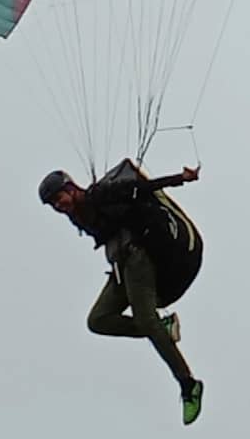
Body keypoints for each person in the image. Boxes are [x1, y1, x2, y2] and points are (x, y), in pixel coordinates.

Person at [39, 159, 205, 425]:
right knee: (97, 320)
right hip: (120, 267)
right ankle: (162, 326)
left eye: (59, 198)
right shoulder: (78, 217)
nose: (59, 206)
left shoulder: (97, 195)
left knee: (145, 319)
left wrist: (180, 178)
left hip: (138, 258)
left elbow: (140, 187)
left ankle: (189, 385)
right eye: (54, 205)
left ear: (70, 188)